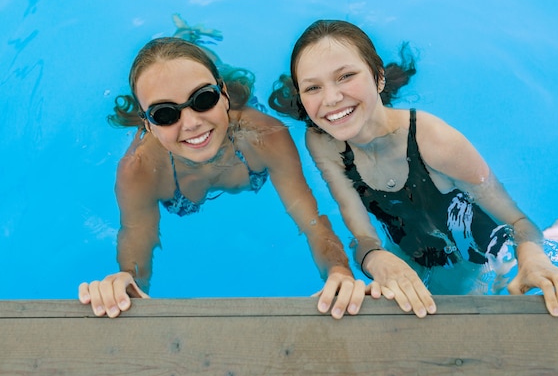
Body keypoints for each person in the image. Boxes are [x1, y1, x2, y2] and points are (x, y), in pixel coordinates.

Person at [269, 19, 558, 318]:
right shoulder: (322, 139)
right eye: (313, 88)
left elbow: (517, 222)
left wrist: (531, 258)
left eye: (346, 76)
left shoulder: (433, 140)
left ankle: (535, 249)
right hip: (407, 247)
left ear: (378, 78)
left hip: (471, 256)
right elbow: (363, 236)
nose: (332, 99)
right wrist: (377, 260)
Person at [78, 36, 365, 319]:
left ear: (224, 95)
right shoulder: (139, 170)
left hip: (238, 125)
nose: (191, 123)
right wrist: (126, 281)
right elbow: (136, 242)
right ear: (148, 125)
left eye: (204, 99)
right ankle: (190, 41)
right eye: (165, 114)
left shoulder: (265, 137)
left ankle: (192, 38)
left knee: (209, 66)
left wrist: (338, 270)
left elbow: (312, 221)